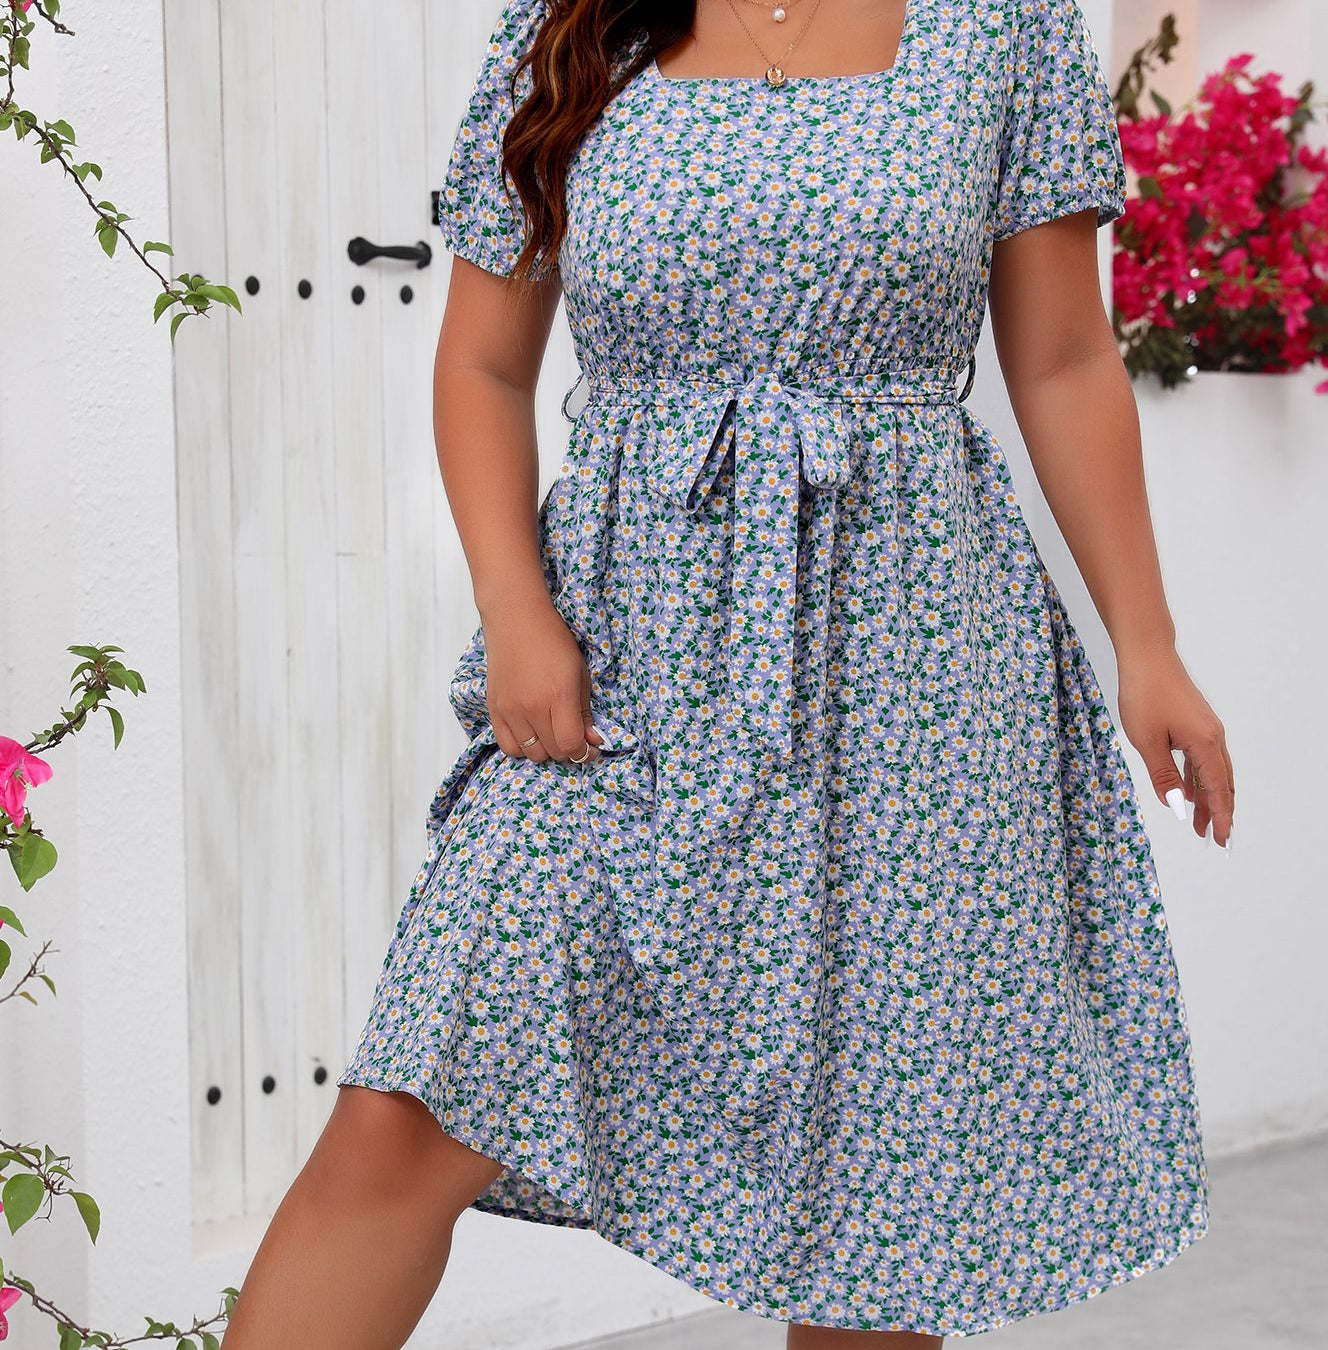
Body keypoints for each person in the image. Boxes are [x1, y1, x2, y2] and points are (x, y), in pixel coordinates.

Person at [222, 0, 1231, 1345]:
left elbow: (1058, 357)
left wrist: (1145, 645)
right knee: (402, 1119)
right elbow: (477, 358)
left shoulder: (1003, 23)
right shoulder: (570, 23)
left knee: (874, 1207)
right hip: (625, 658)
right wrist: (517, 614)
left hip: (914, 665)